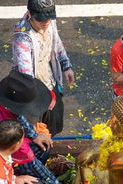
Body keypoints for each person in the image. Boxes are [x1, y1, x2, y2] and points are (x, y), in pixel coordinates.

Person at [0, 69, 70, 184]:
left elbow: (16, 113)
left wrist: (34, 135)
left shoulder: (0, 94)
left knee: (42, 147)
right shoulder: (5, 134)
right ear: (15, 145)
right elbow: (32, 163)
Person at [12, 0, 75, 136]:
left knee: (53, 125)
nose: (46, 22)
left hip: (50, 81)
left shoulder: (49, 22)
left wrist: (66, 66)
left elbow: (57, 43)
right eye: (41, 19)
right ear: (30, 14)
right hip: (32, 92)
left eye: (49, 17)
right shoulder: (22, 37)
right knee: (34, 132)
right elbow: (26, 75)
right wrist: (46, 96)